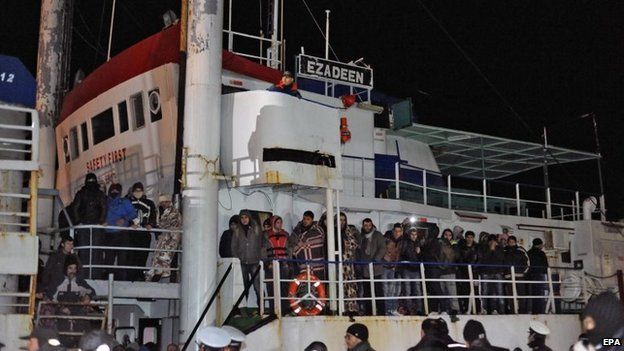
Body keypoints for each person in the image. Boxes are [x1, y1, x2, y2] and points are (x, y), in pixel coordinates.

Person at [71, 172, 107, 274]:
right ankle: (93, 273)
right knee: (93, 251)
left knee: (86, 251)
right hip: (93, 226)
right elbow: (104, 208)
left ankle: (86, 273)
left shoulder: (81, 193)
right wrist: (100, 221)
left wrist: (79, 222)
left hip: (86, 226)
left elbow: (75, 208)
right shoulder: (99, 194)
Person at [104, 183, 138, 280]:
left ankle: (121, 282)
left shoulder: (125, 202)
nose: (114, 192)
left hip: (122, 234)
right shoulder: (105, 202)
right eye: (112, 190)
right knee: (108, 260)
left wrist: (124, 218)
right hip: (109, 234)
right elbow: (100, 213)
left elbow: (133, 214)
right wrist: (101, 221)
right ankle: (108, 281)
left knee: (122, 260)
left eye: (116, 191)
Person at [146, 194, 182, 282]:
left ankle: (159, 279)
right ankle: (155, 277)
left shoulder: (174, 212)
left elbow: (173, 225)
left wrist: (162, 230)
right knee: (158, 258)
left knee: (164, 259)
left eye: (166, 202)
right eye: (162, 202)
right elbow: (157, 223)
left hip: (171, 239)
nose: (164, 204)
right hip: (163, 239)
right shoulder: (159, 210)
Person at [232, 209, 264, 307]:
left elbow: (262, 244)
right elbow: (233, 246)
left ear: (249, 218)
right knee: (243, 287)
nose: (244, 219)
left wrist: (261, 258)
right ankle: (243, 309)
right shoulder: (237, 231)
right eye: (242, 217)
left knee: (257, 286)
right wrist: (237, 259)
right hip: (242, 263)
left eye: (246, 217)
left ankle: (261, 308)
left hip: (254, 262)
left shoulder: (256, 228)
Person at [127, 182, 158, 281]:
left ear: (143, 191)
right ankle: (131, 277)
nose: (138, 193)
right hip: (131, 234)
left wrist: (150, 224)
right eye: (136, 191)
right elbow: (124, 216)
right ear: (133, 192)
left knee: (143, 256)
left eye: (140, 191)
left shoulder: (149, 203)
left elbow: (153, 215)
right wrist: (129, 224)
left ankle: (140, 276)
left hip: (144, 234)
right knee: (131, 256)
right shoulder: (128, 202)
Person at [263, 215, 292, 314]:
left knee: (284, 287)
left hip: (284, 264)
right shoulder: (266, 235)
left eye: (281, 222)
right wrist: (268, 263)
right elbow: (263, 250)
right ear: (273, 223)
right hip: (271, 265)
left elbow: (289, 249)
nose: (280, 224)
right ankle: (273, 311)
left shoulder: (286, 234)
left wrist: (288, 262)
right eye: (278, 222)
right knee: (271, 288)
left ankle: (284, 310)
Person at [334, 212, 361, 316]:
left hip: (348, 263)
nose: (342, 222)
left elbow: (356, 244)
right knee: (339, 285)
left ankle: (351, 308)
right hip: (338, 263)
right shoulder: (333, 232)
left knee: (350, 285)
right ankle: (340, 308)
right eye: (340, 220)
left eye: (343, 220)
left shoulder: (348, 232)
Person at [357, 218, 385, 315]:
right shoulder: (361, 237)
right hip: (365, 269)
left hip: (376, 268)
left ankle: (381, 312)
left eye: (369, 225)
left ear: (372, 225)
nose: (367, 227)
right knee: (367, 293)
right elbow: (359, 251)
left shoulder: (378, 235)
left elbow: (382, 247)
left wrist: (376, 259)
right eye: (365, 225)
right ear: (363, 226)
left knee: (378, 292)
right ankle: (368, 312)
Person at [288, 211, 326, 279]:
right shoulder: (298, 230)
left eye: (308, 219)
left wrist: (301, 244)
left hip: (316, 263)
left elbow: (317, 241)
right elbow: (292, 241)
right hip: (299, 262)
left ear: (312, 220)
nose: (305, 221)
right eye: (304, 219)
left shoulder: (317, 230)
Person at [399, 223, 424, 315]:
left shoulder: (419, 243)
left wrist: (419, 253)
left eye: (415, 234)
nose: (414, 236)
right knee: (408, 291)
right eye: (412, 234)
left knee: (418, 291)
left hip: (416, 269)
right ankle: (409, 309)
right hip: (407, 269)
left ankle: (419, 310)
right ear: (409, 235)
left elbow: (421, 257)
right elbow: (403, 253)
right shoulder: (405, 242)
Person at [477, 234, 505, 314]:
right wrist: (490, 249)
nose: (492, 242)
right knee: (484, 291)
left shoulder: (500, 248)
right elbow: (483, 258)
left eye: (494, 240)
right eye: (491, 241)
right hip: (486, 272)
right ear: (488, 241)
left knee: (498, 292)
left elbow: (501, 258)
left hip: (497, 272)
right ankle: (484, 309)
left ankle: (498, 310)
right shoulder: (483, 248)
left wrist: (495, 249)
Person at [502, 235, 529, 313]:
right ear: (507, 243)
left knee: (522, 295)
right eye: (510, 242)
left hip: (520, 276)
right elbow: (502, 262)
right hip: (508, 276)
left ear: (515, 242)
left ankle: (522, 311)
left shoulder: (521, 250)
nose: (511, 243)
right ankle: (513, 311)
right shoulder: (504, 251)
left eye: (513, 242)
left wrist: (523, 272)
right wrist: (504, 273)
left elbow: (527, 263)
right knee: (510, 296)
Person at [420, 222, 443, 313]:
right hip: (431, 268)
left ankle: (443, 308)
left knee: (436, 289)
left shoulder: (433, 242)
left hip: (432, 268)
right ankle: (434, 309)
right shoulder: (433, 242)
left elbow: (429, 255)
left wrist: (421, 250)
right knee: (433, 290)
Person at [382, 223, 403, 316]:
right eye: (395, 231)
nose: (397, 233)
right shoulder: (387, 239)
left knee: (396, 290)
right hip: (386, 267)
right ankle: (387, 310)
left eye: (399, 231)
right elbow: (383, 251)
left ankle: (393, 309)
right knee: (387, 290)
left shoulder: (402, 241)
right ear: (392, 231)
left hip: (397, 268)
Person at [439, 228, 460, 315]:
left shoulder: (454, 245)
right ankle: (444, 309)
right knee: (442, 292)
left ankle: (455, 309)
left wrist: (454, 245)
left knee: (452, 292)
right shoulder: (439, 244)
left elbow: (457, 256)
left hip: (450, 271)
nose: (447, 237)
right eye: (446, 235)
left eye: (449, 235)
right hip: (440, 272)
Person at [457, 231, 478, 313]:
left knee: (475, 291)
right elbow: (459, 259)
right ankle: (466, 308)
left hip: (474, 272)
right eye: (468, 237)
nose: (469, 239)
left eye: (471, 237)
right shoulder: (461, 248)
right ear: (465, 238)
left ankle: (476, 309)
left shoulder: (477, 248)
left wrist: (474, 267)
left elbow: (479, 259)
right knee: (465, 291)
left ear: (473, 238)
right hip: (464, 272)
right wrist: (464, 267)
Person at [527, 238, 548, 314]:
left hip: (531, 276)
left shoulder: (528, 253)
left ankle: (532, 310)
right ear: (539, 244)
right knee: (540, 294)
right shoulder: (541, 254)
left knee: (532, 294)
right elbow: (545, 266)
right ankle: (540, 311)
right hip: (540, 276)